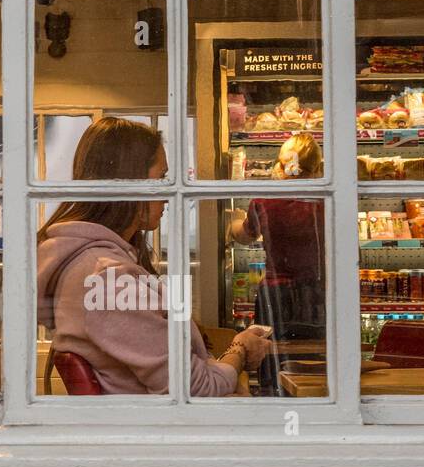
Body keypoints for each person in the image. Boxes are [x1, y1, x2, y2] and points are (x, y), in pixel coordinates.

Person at [37, 117, 270, 396]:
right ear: (129, 183)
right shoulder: (107, 279)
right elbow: (196, 390)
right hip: (156, 433)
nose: (168, 194)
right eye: (161, 178)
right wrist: (241, 350)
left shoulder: (93, 266)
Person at [227, 133, 326, 395]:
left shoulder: (264, 200)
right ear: (318, 167)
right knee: (318, 362)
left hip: (275, 295)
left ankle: (275, 403)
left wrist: (233, 223)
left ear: (280, 166)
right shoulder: (327, 201)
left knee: (272, 358)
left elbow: (246, 234)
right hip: (318, 294)